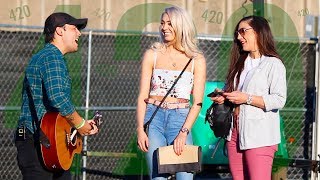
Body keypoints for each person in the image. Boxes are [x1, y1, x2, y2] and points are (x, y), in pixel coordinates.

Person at [14, 12, 99, 180]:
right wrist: (80, 123)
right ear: (60, 31)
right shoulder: (52, 56)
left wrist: (75, 127)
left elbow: (54, 112)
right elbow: (58, 98)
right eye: (75, 28)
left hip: (47, 141)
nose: (79, 33)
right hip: (34, 139)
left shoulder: (50, 56)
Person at [211, 16, 287, 180]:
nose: (239, 37)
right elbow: (234, 93)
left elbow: (279, 99)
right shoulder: (240, 63)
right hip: (235, 133)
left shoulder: (273, 64)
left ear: (259, 32)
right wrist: (224, 97)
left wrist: (247, 98)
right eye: (237, 33)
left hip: (260, 135)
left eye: (243, 31)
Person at [136, 6, 206, 180]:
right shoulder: (151, 55)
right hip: (154, 118)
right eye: (162, 23)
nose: (164, 27)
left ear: (181, 26)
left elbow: (197, 102)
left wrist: (184, 132)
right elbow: (142, 96)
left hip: (180, 119)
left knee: (185, 176)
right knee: (157, 177)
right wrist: (140, 129)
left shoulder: (196, 59)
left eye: (170, 23)